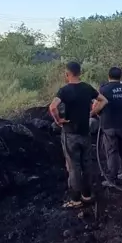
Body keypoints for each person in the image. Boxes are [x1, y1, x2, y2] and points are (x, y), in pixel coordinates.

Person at [49, 61, 107, 208]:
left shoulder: (64, 90)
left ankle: (75, 200)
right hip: (85, 133)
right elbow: (104, 100)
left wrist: (58, 120)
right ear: (79, 72)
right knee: (86, 164)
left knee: (74, 167)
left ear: (67, 74)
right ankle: (87, 196)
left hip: (70, 135)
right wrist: (93, 112)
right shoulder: (87, 88)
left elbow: (53, 107)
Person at [92, 66, 122, 186]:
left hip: (110, 125)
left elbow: (97, 106)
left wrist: (94, 113)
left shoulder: (104, 89)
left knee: (112, 151)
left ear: (108, 76)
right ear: (120, 76)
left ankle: (112, 179)